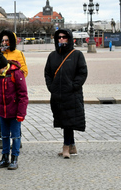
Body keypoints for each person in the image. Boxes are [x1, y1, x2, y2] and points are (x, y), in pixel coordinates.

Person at [44, 29, 87, 159]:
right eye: (59, 37)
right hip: (58, 94)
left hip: (72, 94)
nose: (61, 39)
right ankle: (72, 145)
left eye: (64, 37)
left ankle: (66, 147)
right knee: (65, 120)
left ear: (69, 39)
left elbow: (82, 72)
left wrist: (74, 86)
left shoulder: (77, 54)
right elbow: (47, 73)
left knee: (69, 121)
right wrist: (51, 87)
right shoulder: (52, 56)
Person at [0, 53, 28, 170]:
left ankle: (14, 158)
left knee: (16, 136)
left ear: (4, 66)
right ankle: (5, 158)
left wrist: (21, 113)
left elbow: (23, 95)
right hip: (3, 112)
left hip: (15, 112)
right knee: (4, 136)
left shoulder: (16, 73)